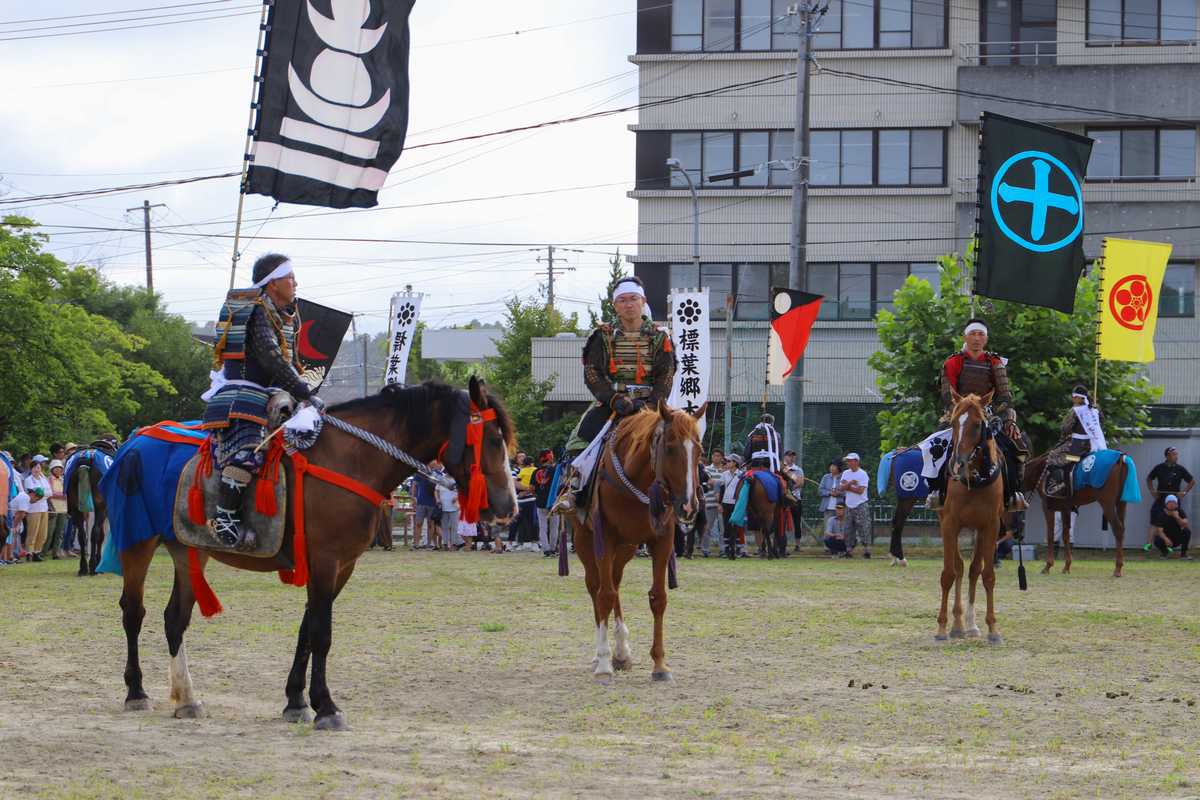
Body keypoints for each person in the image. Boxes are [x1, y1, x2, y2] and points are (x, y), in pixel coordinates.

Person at [201, 253, 322, 550]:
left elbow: (290, 363)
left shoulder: (286, 315)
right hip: (245, 391)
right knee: (248, 449)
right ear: (272, 283)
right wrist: (304, 391)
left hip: (273, 391)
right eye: (289, 278)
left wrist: (304, 389)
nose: (295, 283)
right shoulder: (257, 311)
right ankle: (224, 516)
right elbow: (271, 358)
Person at [553, 275, 675, 512]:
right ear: (614, 305)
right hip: (612, 403)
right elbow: (592, 373)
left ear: (643, 301)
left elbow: (666, 374)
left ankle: (687, 496)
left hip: (650, 405)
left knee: (680, 439)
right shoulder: (602, 335)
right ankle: (572, 490)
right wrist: (613, 399)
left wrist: (652, 404)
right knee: (579, 439)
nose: (628, 304)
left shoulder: (661, 336)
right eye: (622, 300)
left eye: (633, 299)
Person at [928, 318, 1027, 513]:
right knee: (937, 447)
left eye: (980, 334)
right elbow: (948, 394)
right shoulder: (953, 361)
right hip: (958, 413)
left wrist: (1004, 417)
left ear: (986, 339)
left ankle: (1012, 494)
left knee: (1013, 446)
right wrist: (956, 410)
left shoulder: (995, 362)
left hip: (985, 414)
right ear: (965, 337)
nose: (976, 338)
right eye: (973, 334)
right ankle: (937, 491)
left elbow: (1004, 395)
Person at [1043, 385, 1106, 498]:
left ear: (1079, 398)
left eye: (1074, 396)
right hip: (1096, 445)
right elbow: (1101, 424)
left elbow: (1065, 428)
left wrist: (1063, 439)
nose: (1072, 399)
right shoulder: (1096, 410)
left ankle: (1059, 486)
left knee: (1052, 457)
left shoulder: (1075, 410)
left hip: (1078, 448)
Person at [1146, 447, 1194, 550]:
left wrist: (1184, 492)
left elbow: (1192, 481)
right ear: (1167, 456)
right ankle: (1148, 545)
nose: (1176, 456)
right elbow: (1149, 478)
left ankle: (1184, 548)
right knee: (1155, 520)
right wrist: (1152, 491)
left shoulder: (1180, 469)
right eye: (1174, 454)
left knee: (1178, 520)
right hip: (1161, 498)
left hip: (1174, 500)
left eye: (1177, 454)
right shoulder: (1159, 468)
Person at [840, 452, 871, 558]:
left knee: (864, 527)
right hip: (849, 504)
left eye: (850, 460)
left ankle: (867, 550)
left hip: (860, 504)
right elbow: (841, 488)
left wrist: (847, 486)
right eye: (847, 461)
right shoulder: (845, 473)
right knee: (848, 528)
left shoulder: (862, 474)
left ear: (856, 461)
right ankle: (849, 551)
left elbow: (860, 491)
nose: (848, 463)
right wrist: (850, 483)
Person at [23, 455, 51, 562]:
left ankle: (37, 552)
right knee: (32, 532)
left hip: (44, 508)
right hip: (33, 509)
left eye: (38, 467)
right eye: (34, 467)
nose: (36, 469)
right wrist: (41, 494)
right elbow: (33, 494)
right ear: (31, 469)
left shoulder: (43, 479)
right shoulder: (28, 480)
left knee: (43, 533)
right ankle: (29, 553)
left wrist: (41, 494)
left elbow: (49, 492)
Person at [532, 449, 560, 557]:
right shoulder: (556, 470)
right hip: (553, 501)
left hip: (540, 501)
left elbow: (532, 488)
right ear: (549, 457)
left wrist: (538, 494)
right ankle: (553, 548)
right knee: (554, 526)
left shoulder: (536, 471)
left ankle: (546, 549)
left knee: (543, 526)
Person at [781, 449, 806, 549]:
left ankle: (797, 544)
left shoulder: (798, 469)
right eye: (789, 455)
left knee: (797, 521)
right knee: (782, 521)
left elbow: (800, 483)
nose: (791, 458)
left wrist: (790, 486)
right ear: (785, 457)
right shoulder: (781, 468)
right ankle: (782, 543)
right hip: (783, 498)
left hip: (795, 498)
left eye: (793, 456)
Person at [410, 467, 439, 550]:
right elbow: (414, 485)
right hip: (420, 502)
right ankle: (416, 544)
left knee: (431, 524)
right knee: (418, 523)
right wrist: (413, 498)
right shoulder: (420, 472)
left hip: (432, 503)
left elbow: (440, 487)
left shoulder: (437, 473)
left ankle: (429, 544)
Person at [44, 459, 68, 559]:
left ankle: (56, 552)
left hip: (63, 508)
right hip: (53, 508)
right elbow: (50, 493)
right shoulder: (48, 479)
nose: (58, 470)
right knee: (50, 531)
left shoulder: (63, 480)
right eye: (56, 468)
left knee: (60, 532)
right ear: (52, 469)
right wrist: (62, 495)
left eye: (60, 468)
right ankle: (43, 552)